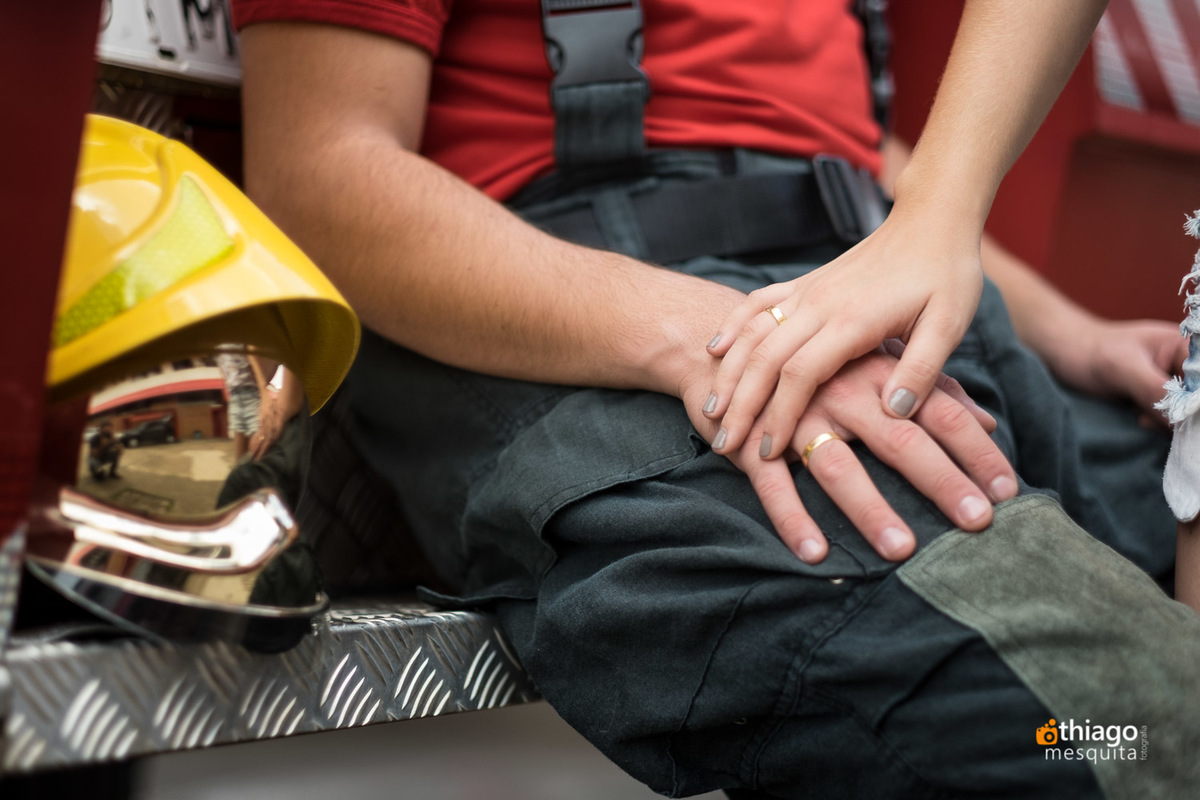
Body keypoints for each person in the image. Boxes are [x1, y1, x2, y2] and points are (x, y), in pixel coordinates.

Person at [232, 0, 1200, 795]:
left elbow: (843, 153)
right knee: (1129, 727)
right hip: (601, 322)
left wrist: (1062, 329)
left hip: (865, 297)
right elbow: (317, 174)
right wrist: (735, 345)